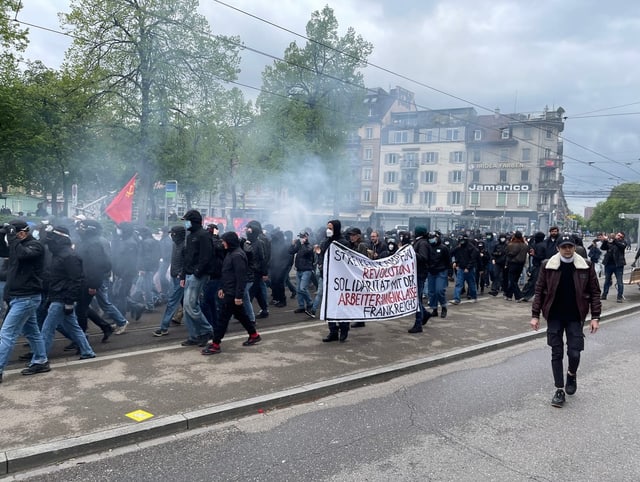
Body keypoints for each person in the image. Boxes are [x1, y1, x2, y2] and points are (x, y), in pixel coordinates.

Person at [530, 233, 601, 408]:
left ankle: (571, 373)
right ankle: (559, 389)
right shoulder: (548, 266)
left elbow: (595, 292)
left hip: (575, 315)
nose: (567, 250)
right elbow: (539, 291)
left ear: (574, 247)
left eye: (570, 246)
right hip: (554, 315)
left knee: (574, 352)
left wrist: (595, 317)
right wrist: (535, 315)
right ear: (558, 248)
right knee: (556, 352)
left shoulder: (586, 266)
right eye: (564, 247)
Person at [0, 220, 50, 383]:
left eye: (13, 234)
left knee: (7, 334)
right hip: (19, 297)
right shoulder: (16, 245)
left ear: (22, 233)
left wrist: (12, 236)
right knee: (32, 332)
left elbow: (22, 254)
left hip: (26, 297)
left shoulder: (35, 246)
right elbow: (7, 250)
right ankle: (41, 361)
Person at [40, 226, 96, 360]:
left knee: (47, 330)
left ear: (59, 239)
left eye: (52, 238)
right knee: (73, 328)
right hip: (58, 296)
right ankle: (87, 351)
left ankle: (40, 359)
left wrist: (70, 301)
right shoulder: (59, 254)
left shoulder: (69, 256)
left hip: (62, 298)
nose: (50, 242)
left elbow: (77, 280)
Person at [201, 231, 261, 355]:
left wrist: (238, 296)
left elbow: (241, 277)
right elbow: (227, 274)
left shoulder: (237, 255)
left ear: (229, 242)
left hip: (233, 293)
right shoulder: (231, 253)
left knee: (223, 319)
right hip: (229, 290)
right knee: (241, 315)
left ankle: (215, 344)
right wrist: (222, 287)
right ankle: (254, 335)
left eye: (224, 241)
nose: (222, 244)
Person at [179, 209, 213, 347]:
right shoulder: (190, 236)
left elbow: (206, 256)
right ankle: (194, 335)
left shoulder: (203, 235)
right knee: (188, 306)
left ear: (193, 221)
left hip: (197, 275)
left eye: (187, 220)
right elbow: (187, 258)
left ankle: (207, 330)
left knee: (190, 305)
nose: (186, 223)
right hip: (189, 274)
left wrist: (197, 273)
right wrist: (183, 275)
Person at [320, 220, 351, 342]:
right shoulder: (325, 242)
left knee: (341, 306)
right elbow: (322, 256)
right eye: (327, 227)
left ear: (336, 229)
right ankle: (333, 331)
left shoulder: (343, 242)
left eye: (330, 228)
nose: (328, 230)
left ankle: (344, 329)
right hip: (328, 279)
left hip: (340, 279)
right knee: (330, 305)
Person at [153, 226, 186, 336]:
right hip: (175, 277)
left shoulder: (185, 245)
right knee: (190, 304)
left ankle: (163, 327)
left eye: (174, 234)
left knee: (172, 302)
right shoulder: (174, 244)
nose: (172, 236)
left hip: (180, 278)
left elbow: (187, 263)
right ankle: (206, 326)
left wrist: (181, 275)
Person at [346, 227, 371, 329]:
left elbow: (363, 260)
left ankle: (360, 319)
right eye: (351, 235)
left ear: (358, 236)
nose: (351, 237)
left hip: (360, 275)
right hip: (357, 275)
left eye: (353, 235)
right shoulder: (355, 245)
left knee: (359, 298)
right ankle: (360, 319)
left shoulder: (362, 245)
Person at [408, 225, 430, 333]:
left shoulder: (423, 243)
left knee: (416, 300)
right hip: (417, 274)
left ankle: (418, 323)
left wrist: (411, 253)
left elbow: (423, 258)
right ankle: (425, 314)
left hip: (419, 274)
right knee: (417, 299)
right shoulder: (419, 242)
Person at [289, 231, 315, 318]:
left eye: (303, 236)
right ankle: (301, 306)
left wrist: (304, 243)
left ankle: (310, 303)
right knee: (298, 290)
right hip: (299, 270)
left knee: (303, 288)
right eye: (300, 236)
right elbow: (290, 251)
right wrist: (293, 244)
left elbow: (305, 252)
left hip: (306, 270)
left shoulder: (309, 246)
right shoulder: (299, 245)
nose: (301, 238)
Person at [450, 235, 479, 305]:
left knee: (471, 284)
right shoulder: (459, 248)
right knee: (459, 284)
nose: (461, 242)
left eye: (462, 241)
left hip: (469, 269)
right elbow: (452, 253)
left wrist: (468, 267)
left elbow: (473, 259)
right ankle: (456, 299)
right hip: (461, 268)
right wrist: (455, 262)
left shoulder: (471, 248)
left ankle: (474, 297)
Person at [599, 231, 627, 302]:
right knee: (607, 280)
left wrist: (614, 240)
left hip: (618, 265)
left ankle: (619, 297)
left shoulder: (623, 242)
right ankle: (604, 295)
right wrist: (605, 241)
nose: (619, 237)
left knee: (619, 281)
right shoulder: (610, 242)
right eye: (618, 235)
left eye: (621, 237)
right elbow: (603, 248)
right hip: (609, 264)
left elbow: (621, 246)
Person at [504, 231, 529, 301]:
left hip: (513, 264)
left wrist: (506, 263)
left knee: (512, 281)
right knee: (515, 280)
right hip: (521, 265)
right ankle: (508, 295)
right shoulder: (525, 245)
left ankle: (518, 296)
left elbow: (507, 253)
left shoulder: (511, 245)